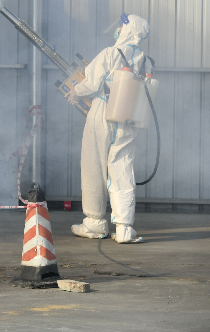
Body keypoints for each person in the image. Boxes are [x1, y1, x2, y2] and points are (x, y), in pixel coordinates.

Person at [66, 13, 152, 244]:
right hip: (127, 119)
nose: (117, 31)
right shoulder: (146, 61)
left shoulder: (110, 53)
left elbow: (92, 83)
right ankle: (124, 228)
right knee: (122, 168)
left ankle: (94, 223)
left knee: (93, 165)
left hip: (103, 112)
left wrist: (75, 93)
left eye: (120, 27)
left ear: (126, 30)